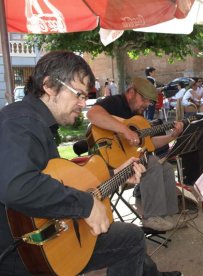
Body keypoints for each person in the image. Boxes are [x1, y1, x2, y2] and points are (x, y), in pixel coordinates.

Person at [0, 51, 181, 275]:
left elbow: (58, 179)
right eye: (78, 94)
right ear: (48, 85)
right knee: (131, 239)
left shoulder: (37, 124)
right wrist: (85, 206)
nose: (83, 103)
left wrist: (115, 173)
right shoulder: (19, 121)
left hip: (48, 240)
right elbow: (18, 186)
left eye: (86, 96)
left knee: (130, 238)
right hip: (22, 255)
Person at [87, 76, 183, 231]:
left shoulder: (138, 116)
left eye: (150, 101)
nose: (147, 104)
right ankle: (151, 217)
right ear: (131, 92)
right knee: (151, 162)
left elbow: (150, 143)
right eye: (144, 99)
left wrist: (172, 136)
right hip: (108, 161)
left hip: (131, 161)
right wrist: (124, 130)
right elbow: (92, 114)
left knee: (163, 166)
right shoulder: (115, 102)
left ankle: (167, 215)